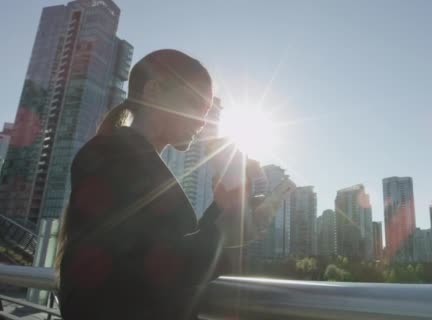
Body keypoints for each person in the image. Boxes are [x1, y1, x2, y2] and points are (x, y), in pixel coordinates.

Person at [55, 49, 291, 320]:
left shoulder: (133, 159)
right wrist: (230, 228)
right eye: (195, 105)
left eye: (207, 111)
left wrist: (223, 207)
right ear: (153, 91)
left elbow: (168, 249)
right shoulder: (110, 156)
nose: (203, 122)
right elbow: (151, 267)